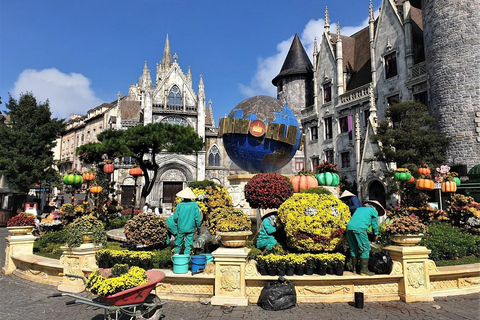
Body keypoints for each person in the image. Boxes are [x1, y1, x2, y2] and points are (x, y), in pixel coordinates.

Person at [346, 199, 385, 276]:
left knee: (353, 248)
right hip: (360, 228)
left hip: (349, 228)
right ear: (376, 207)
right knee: (366, 248)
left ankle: (353, 269)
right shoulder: (373, 211)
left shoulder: (359, 209)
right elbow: (374, 225)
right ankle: (364, 270)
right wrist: (376, 235)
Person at [172, 187, 202, 255]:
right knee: (188, 245)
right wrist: (198, 227)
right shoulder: (194, 205)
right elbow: (198, 218)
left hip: (181, 227)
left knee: (178, 243)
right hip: (190, 227)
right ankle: (186, 258)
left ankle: (176, 256)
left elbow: (175, 217)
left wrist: (177, 222)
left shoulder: (179, 205)